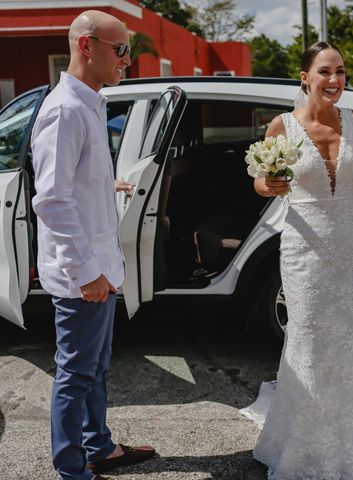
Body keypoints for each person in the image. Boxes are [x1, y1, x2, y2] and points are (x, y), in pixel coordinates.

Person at [250, 42, 353, 479]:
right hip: (304, 250)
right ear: (305, 77)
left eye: (340, 71)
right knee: (308, 343)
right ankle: (300, 447)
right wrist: (271, 184)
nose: (334, 80)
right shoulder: (281, 127)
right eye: (324, 71)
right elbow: (261, 182)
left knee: (349, 344)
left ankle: (344, 444)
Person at [31, 10, 154, 480]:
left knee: (95, 368)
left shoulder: (90, 103)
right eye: (121, 49)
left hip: (102, 266)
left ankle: (98, 447)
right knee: (75, 375)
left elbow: (75, 185)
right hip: (84, 274)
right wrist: (88, 273)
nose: (128, 59)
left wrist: (109, 186)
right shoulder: (66, 109)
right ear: (87, 46)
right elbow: (53, 200)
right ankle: (72, 470)